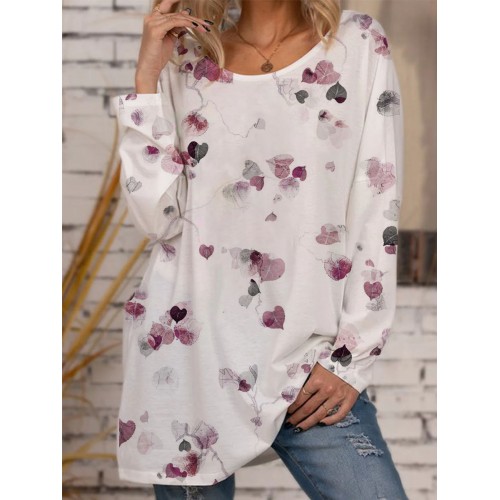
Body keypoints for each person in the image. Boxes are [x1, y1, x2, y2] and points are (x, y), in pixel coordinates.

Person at [112, 0, 407, 498]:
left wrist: (349, 358)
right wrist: (147, 78)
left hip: (309, 360)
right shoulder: (188, 59)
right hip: (191, 364)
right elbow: (158, 219)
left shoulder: (357, 44)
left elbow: (378, 207)